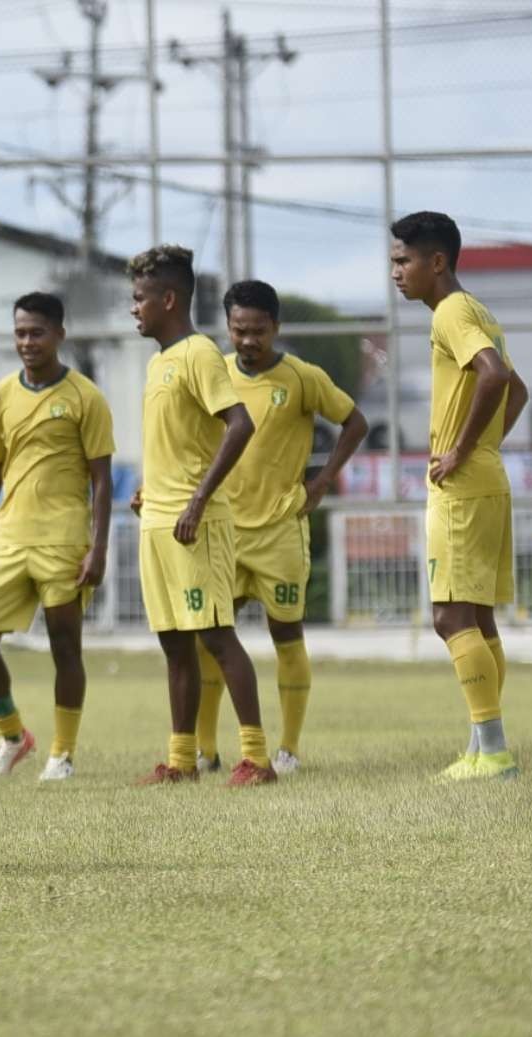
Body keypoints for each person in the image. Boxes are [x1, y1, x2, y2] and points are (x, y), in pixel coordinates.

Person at [191, 281, 369, 775]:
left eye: (258, 331)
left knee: (285, 633)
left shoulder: (302, 377)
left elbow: (355, 422)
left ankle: (288, 748)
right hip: (223, 529)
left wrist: (324, 479)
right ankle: (205, 749)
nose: (248, 341)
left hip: (279, 530)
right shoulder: (216, 376)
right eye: (238, 331)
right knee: (212, 636)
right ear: (227, 327)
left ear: (276, 327)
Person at [389, 211, 530, 782]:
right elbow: (515, 389)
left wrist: (461, 449)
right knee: (477, 618)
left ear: (437, 262)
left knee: (449, 616)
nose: (395, 272)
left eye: (403, 261)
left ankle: (493, 751)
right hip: (486, 479)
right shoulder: (478, 310)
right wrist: (486, 445)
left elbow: (495, 377)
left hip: (463, 485)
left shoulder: (450, 310)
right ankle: (481, 747)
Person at [126, 245, 272, 787]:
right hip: (158, 522)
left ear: (169, 299)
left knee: (216, 636)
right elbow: (181, 441)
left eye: (140, 299)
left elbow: (240, 425)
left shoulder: (199, 353)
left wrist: (197, 501)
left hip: (195, 525)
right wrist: (152, 489)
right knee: (173, 642)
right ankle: (181, 761)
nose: (133, 308)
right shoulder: (158, 361)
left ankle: (258, 758)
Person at [0, 292, 113, 783]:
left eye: (37, 332)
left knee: (64, 646)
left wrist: (99, 547)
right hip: (9, 537)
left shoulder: (84, 397)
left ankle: (61, 755)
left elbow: (102, 480)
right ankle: (12, 736)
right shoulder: (0, 395)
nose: (27, 341)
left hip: (64, 540)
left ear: (59, 335)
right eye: (20, 332)